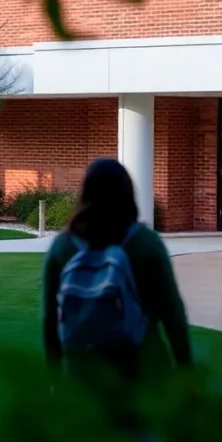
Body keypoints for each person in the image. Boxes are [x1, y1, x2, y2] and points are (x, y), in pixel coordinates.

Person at [42, 158, 193, 383]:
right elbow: (172, 313)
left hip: (82, 374)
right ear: (127, 192)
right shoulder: (145, 244)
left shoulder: (63, 246)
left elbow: (49, 317)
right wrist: (186, 369)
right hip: (142, 370)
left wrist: (54, 377)